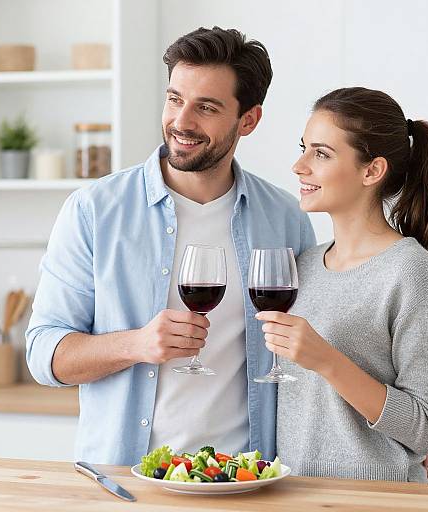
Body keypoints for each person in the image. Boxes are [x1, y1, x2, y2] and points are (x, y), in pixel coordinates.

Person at [26, 27, 316, 465]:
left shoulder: (285, 219)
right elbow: (45, 355)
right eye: (175, 98)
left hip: (246, 480)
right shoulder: (94, 211)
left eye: (206, 107)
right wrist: (137, 344)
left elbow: (309, 356)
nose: (181, 121)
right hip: (127, 482)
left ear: (249, 120)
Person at [257, 87, 428, 482]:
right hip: (295, 492)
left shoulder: (410, 271)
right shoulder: (304, 266)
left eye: (321, 153)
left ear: (372, 171)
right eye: (304, 148)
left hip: (377, 498)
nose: (299, 165)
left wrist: (327, 360)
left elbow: (426, 427)